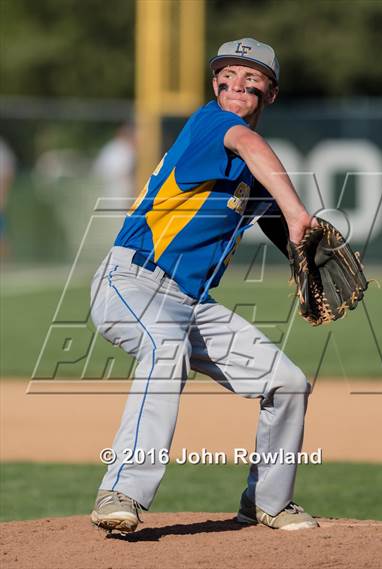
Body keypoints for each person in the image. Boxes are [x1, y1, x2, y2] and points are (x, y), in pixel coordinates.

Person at [90, 38, 319, 533]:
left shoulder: (254, 176)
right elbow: (251, 145)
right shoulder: (213, 123)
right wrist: (300, 213)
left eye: (251, 79)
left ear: (270, 94)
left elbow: (284, 229)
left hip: (192, 304)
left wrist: (306, 253)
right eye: (228, 76)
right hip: (132, 280)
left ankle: (268, 501)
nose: (236, 85)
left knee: (288, 383)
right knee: (165, 349)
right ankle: (122, 491)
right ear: (214, 85)